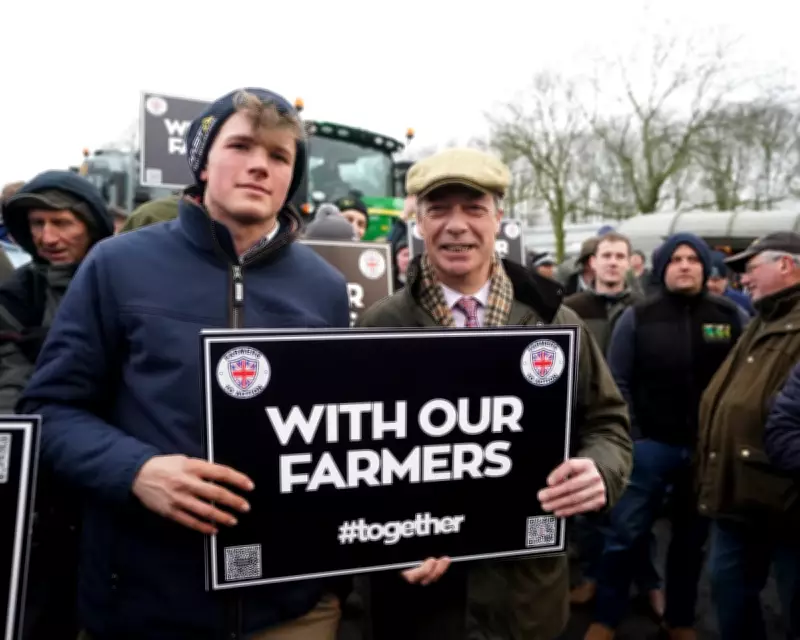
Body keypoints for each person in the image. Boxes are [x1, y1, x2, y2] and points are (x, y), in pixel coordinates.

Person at [18, 87, 350, 640]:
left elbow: (344, 435)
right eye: (240, 145)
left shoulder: (325, 288)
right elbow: (49, 412)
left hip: (288, 609)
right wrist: (137, 471)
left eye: (278, 156)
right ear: (202, 160)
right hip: (146, 603)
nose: (258, 167)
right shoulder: (117, 265)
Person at [357, 147, 633, 640]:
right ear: (418, 220)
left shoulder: (555, 322)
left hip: (523, 599)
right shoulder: (380, 325)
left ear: (498, 218)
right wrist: (384, 538)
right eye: (439, 209)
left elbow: (607, 422)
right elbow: (351, 454)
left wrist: (601, 469)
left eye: (474, 208)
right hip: (421, 607)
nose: (456, 225)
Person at [587, 233, 748, 640]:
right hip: (648, 449)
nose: (685, 265)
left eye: (693, 258)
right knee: (624, 537)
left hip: (703, 453)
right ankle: (606, 618)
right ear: (662, 268)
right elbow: (617, 381)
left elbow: (742, 381)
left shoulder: (729, 316)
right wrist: (634, 437)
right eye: (675, 259)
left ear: (705, 266)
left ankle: (680, 620)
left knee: (690, 545)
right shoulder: (638, 318)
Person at [0, 170, 114, 640]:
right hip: (44, 482)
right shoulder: (17, 292)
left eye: (62, 223)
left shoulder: (122, 283)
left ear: (91, 223)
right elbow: (10, 380)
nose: (48, 237)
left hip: (116, 469)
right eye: (37, 224)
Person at [697, 232, 800, 640]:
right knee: (728, 592)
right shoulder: (763, 320)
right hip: (739, 498)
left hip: (787, 504)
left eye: (750, 268)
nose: (742, 280)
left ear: (786, 265)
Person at [563, 232, 663, 615]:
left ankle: (648, 582)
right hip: (581, 420)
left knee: (634, 515)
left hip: (628, 423)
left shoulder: (644, 308)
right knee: (587, 514)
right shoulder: (570, 307)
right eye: (606, 255)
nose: (613, 262)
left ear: (629, 262)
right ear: (592, 262)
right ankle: (591, 578)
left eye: (620, 255)